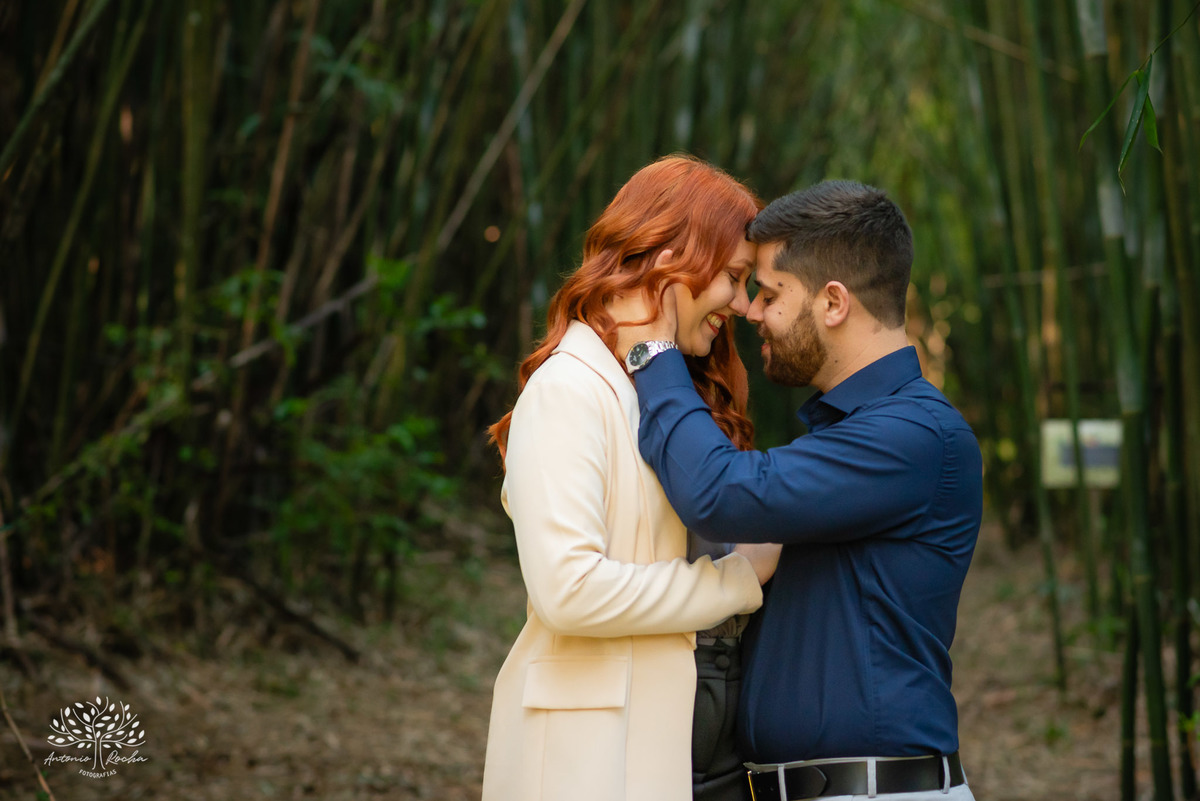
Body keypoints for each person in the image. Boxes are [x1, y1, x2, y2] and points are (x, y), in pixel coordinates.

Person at [625, 180, 982, 800]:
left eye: (770, 293)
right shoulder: (854, 432)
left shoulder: (915, 435)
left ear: (834, 302)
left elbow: (721, 493)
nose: (750, 311)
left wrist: (651, 352)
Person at [481, 155, 779, 801]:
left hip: (688, 753)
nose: (742, 302)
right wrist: (735, 579)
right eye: (732, 276)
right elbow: (570, 588)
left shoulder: (662, 392)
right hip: (585, 763)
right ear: (673, 253)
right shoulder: (568, 387)